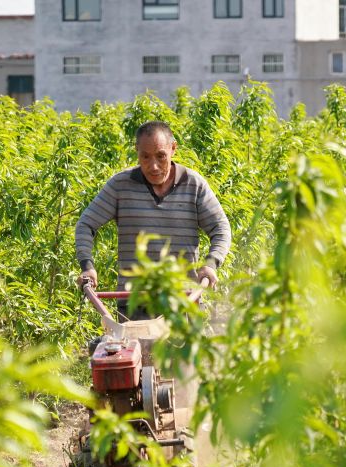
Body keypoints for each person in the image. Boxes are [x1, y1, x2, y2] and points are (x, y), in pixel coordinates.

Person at [74, 120, 231, 318]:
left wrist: (211, 263)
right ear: (136, 151)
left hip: (184, 301)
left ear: (173, 149)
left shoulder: (194, 185)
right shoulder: (120, 186)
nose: (153, 166)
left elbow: (220, 229)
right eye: (145, 157)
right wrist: (87, 267)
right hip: (134, 303)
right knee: (130, 348)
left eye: (160, 156)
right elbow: (86, 224)